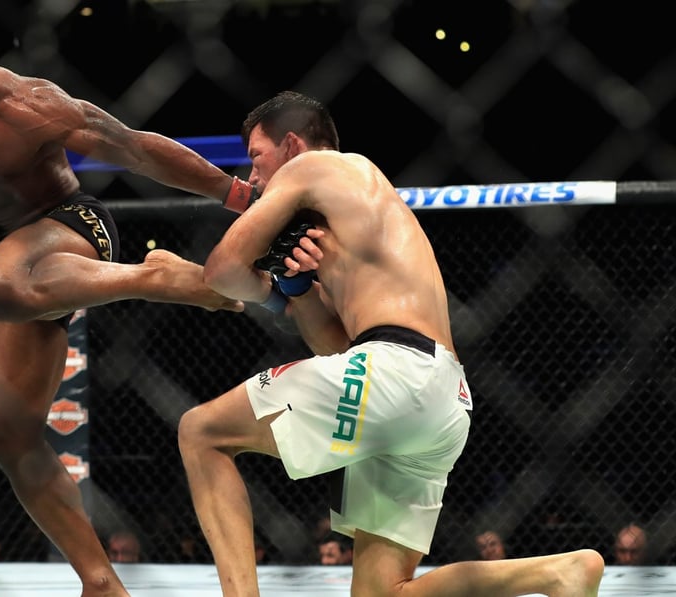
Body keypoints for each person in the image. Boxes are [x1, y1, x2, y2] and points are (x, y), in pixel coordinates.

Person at [0, 27, 251, 596]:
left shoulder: (23, 101)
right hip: (11, 264)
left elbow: (133, 148)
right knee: (9, 437)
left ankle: (153, 276)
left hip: (74, 227)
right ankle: (100, 582)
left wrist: (238, 197)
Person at [177, 90, 605, 596]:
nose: (252, 177)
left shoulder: (313, 167)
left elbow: (222, 271)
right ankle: (557, 573)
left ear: (292, 145)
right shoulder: (357, 215)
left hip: (394, 367)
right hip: (441, 398)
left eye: (256, 157)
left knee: (202, 432)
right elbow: (337, 352)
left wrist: (265, 291)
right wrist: (296, 288)